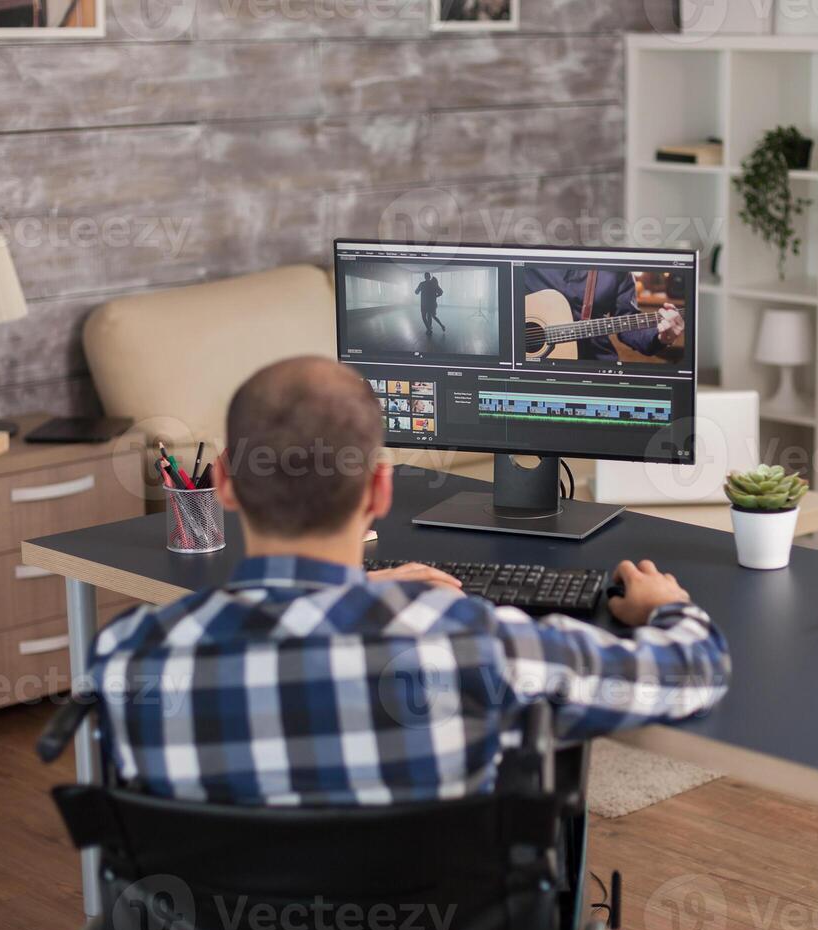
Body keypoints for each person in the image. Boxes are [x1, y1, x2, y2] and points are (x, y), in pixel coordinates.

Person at [85, 356, 729, 805]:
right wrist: (667, 608)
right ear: (380, 489)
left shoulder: (128, 659)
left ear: (223, 482)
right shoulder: (475, 646)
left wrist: (361, 591)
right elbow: (692, 673)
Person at [521, 266, 684, 361]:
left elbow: (627, 323)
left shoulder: (614, 267)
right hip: (530, 370)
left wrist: (660, 336)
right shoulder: (528, 256)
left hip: (594, 363)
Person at [414, 271, 448, 336]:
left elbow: (416, 292)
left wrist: (418, 290)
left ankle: (429, 329)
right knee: (431, 316)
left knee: (424, 317)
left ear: (425, 277)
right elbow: (441, 292)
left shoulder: (422, 284)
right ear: (429, 276)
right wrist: (436, 296)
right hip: (432, 304)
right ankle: (439, 326)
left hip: (424, 304)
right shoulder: (433, 284)